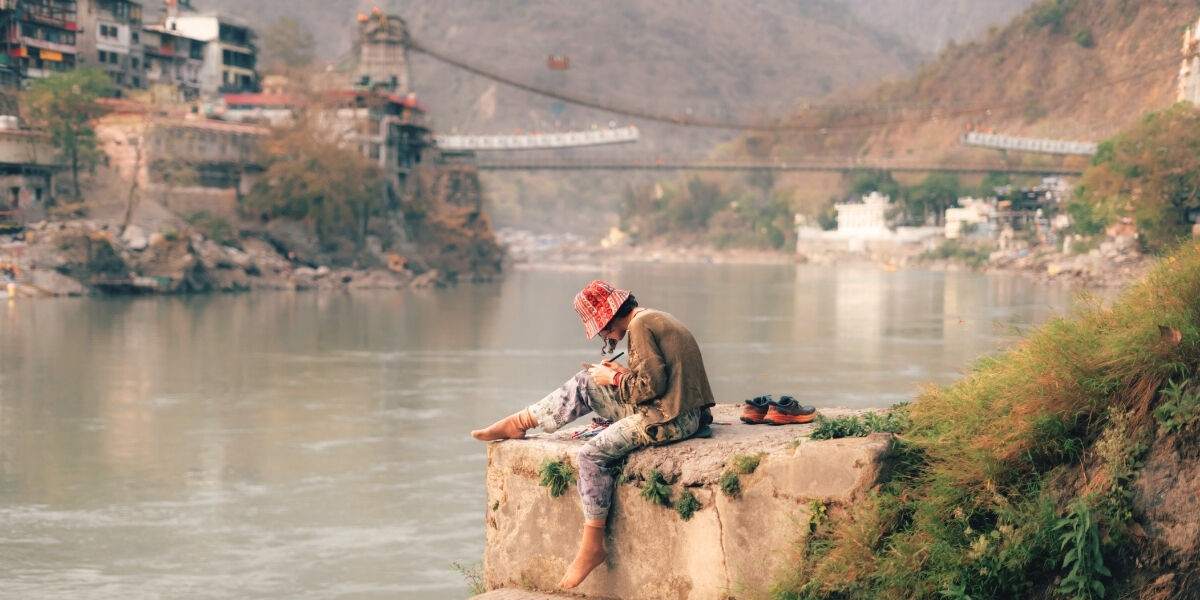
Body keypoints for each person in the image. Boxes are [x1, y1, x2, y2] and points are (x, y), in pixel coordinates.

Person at [471, 279, 715, 589]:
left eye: (603, 329)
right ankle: (521, 421)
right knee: (586, 381)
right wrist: (615, 375)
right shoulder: (652, 317)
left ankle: (592, 545)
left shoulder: (641, 327)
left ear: (612, 318)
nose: (605, 335)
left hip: (671, 419)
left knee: (592, 455)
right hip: (684, 411)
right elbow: (659, 378)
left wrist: (613, 377)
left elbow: (650, 388)